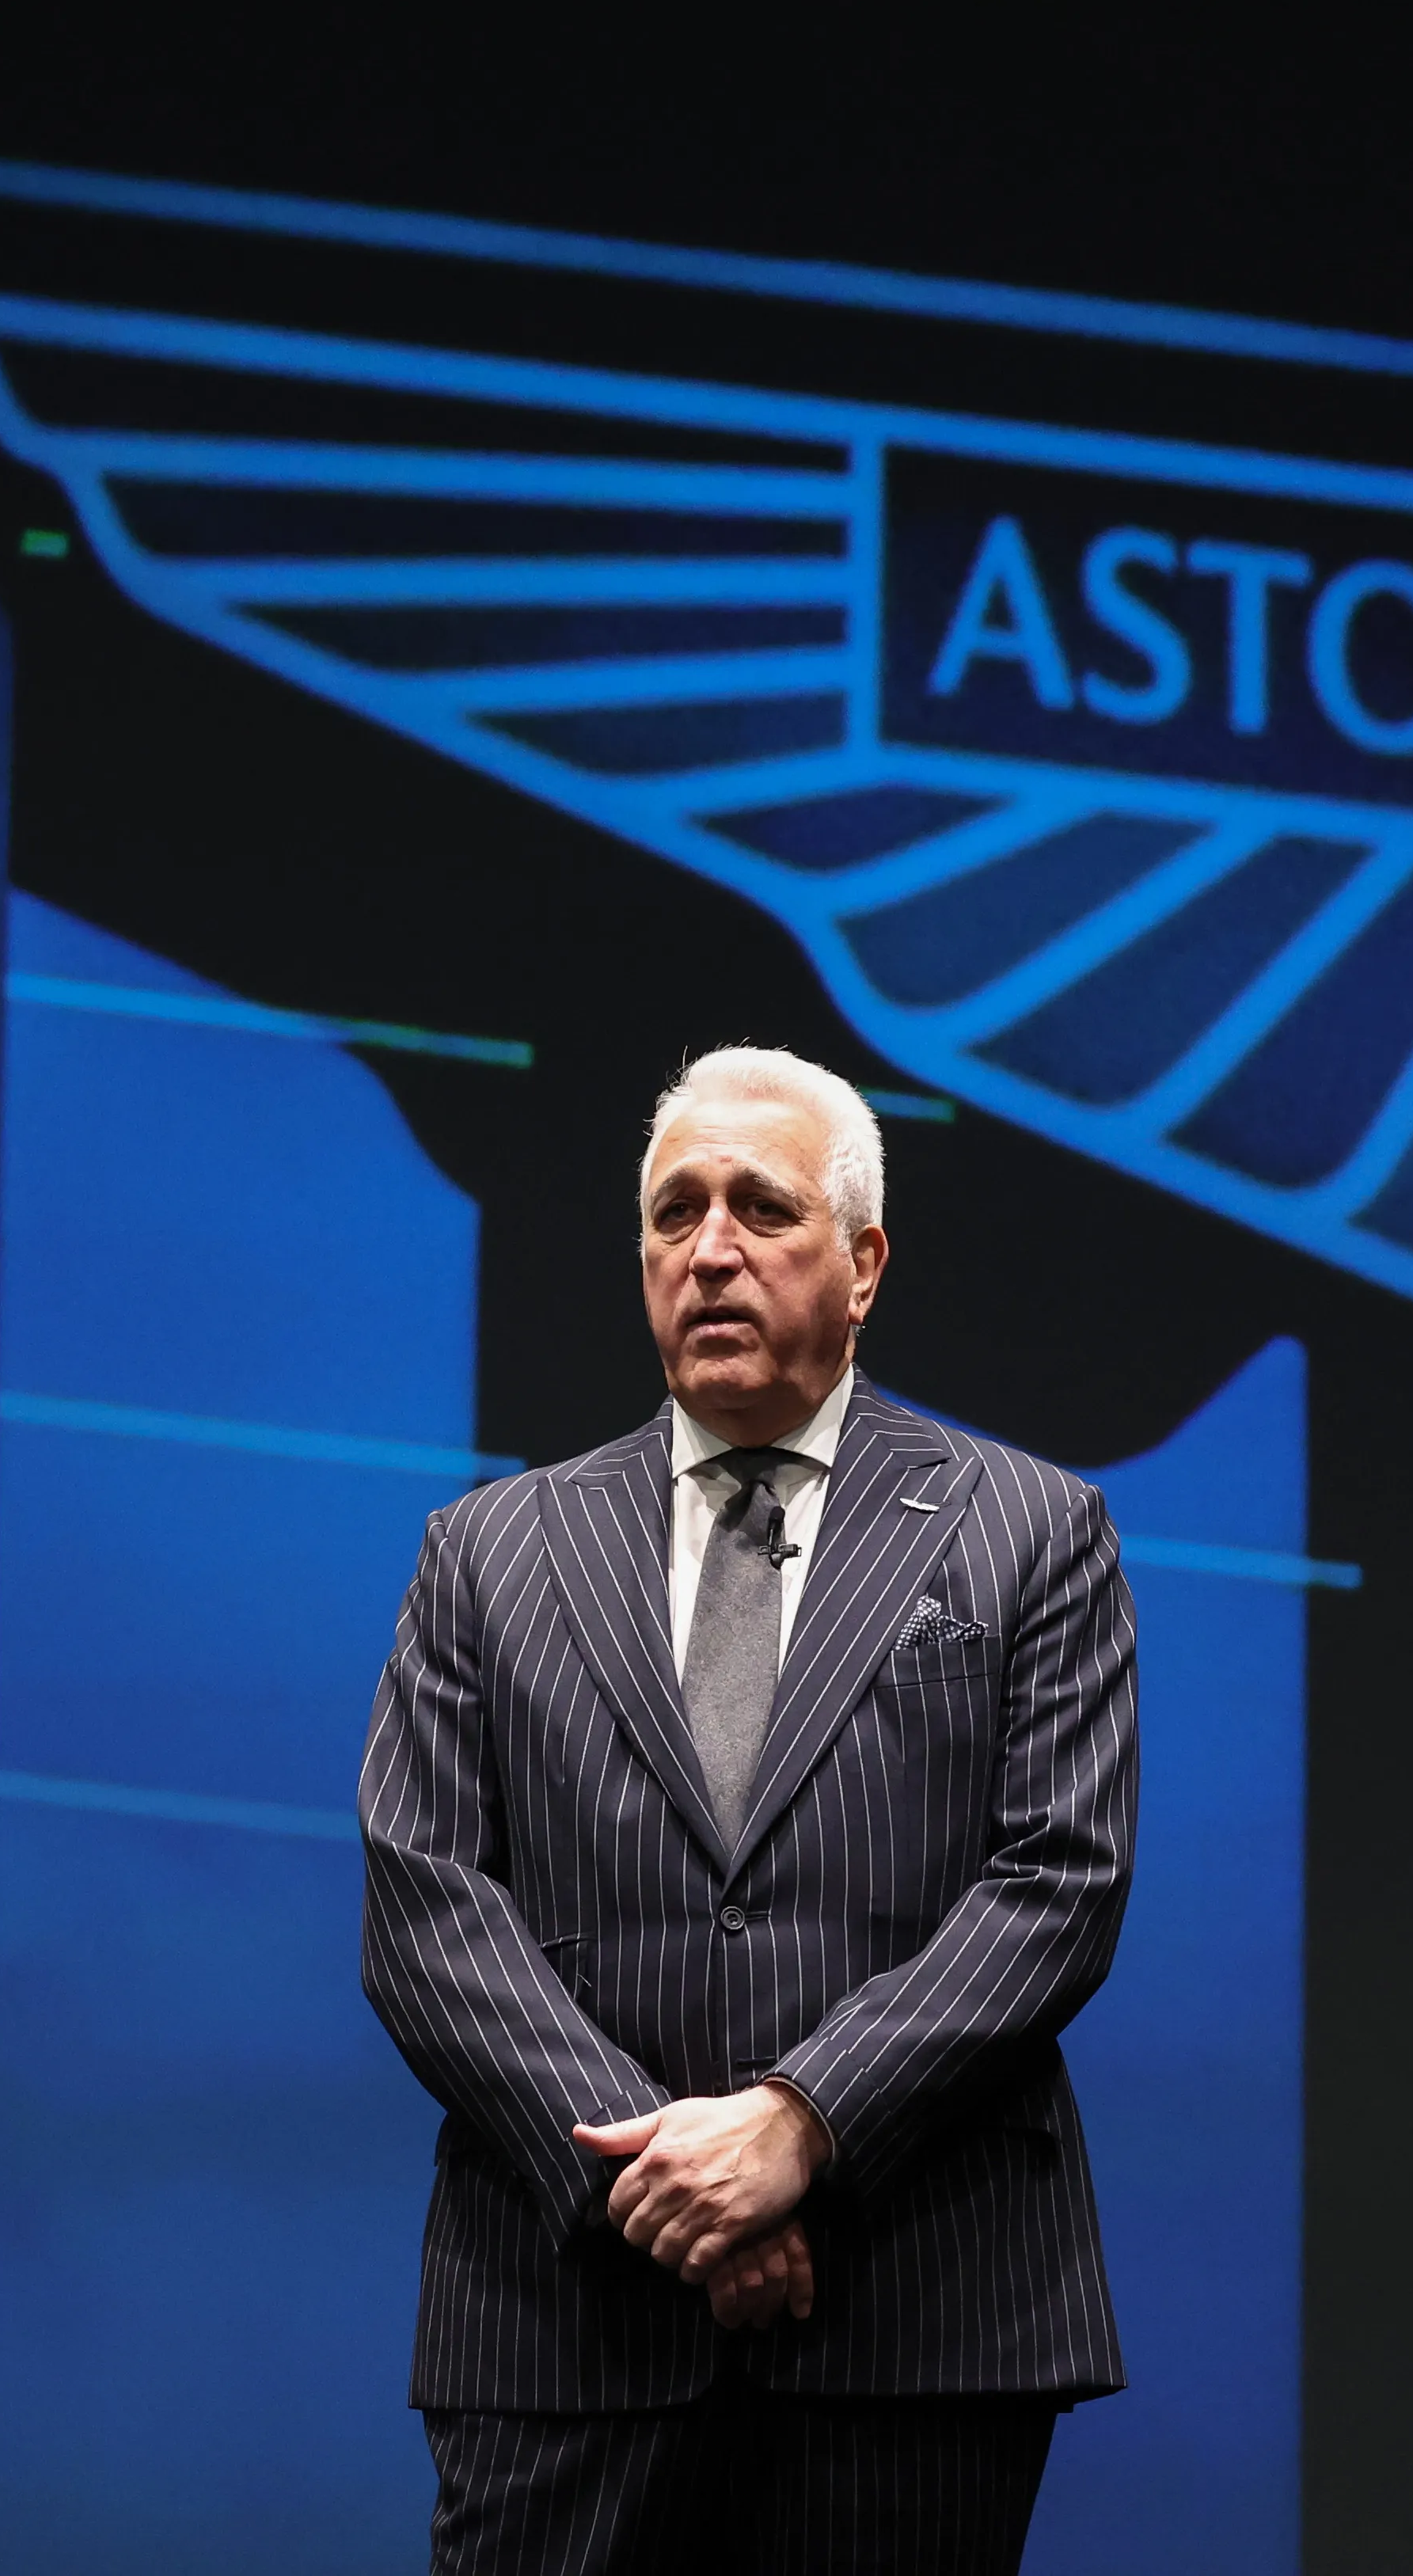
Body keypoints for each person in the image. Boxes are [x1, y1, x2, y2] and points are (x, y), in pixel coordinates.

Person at [359, 1044, 1137, 2572]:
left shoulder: (1035, 1531)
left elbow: (1057, 1882)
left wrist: (800, 2123)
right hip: (568, 2327)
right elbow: (424, 1903)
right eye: (675, 1212)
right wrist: (661, 2190)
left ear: (864, 1265)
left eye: (761, 1208)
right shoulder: (487, 1550)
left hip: (910, 2318)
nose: (709, 1248)